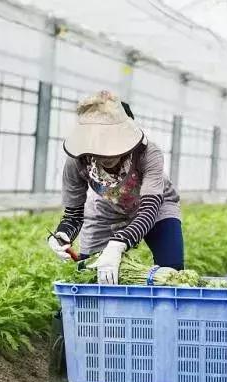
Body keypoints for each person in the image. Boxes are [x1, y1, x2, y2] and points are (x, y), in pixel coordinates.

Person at [47, 90, 183, 284]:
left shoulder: (148, 154)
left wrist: (118, 243)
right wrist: (62, 234)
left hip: (156, 207)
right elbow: (73, 215)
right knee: (90, 273)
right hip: (107, 210)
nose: (107, 155)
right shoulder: (77, 161)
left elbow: (149, 210)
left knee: (172, 273)